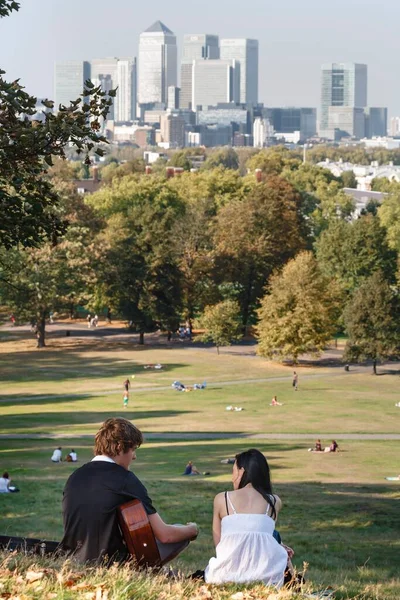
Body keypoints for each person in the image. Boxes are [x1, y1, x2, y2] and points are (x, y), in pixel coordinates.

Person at [61, 418, 198, 564]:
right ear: (120, 447)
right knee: (178, 529)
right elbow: (165, 535)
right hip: (109, 564)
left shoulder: (75, 477)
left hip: (73, 559)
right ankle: (152, 573)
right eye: (133, 449)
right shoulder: (124, 479)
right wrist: (193, 529)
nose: (134, 456)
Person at [202, 449, 290, 587]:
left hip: (224, 576)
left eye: (233, 472)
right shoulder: (274, 502)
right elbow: (264, 538)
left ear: (241, 472)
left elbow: (219, 545)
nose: (232, 478)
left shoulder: (222, 499)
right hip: (267, 578)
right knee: (276, 538)